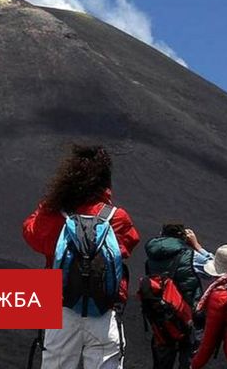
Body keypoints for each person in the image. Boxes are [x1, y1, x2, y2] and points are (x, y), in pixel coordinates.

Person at [23, 145, 140, 369]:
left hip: (61, 310)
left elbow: (32, 234)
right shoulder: (117, 218)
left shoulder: (56, 215)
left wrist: (50, 204)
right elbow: (129, 244)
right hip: (104, 314)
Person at [143, 223, 214, 368]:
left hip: (162, 319)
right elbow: (214, 269)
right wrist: (197, 245)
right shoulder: (191, 256)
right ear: (183, 237)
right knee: (189, 363)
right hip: (188, 318)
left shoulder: (152, 256)